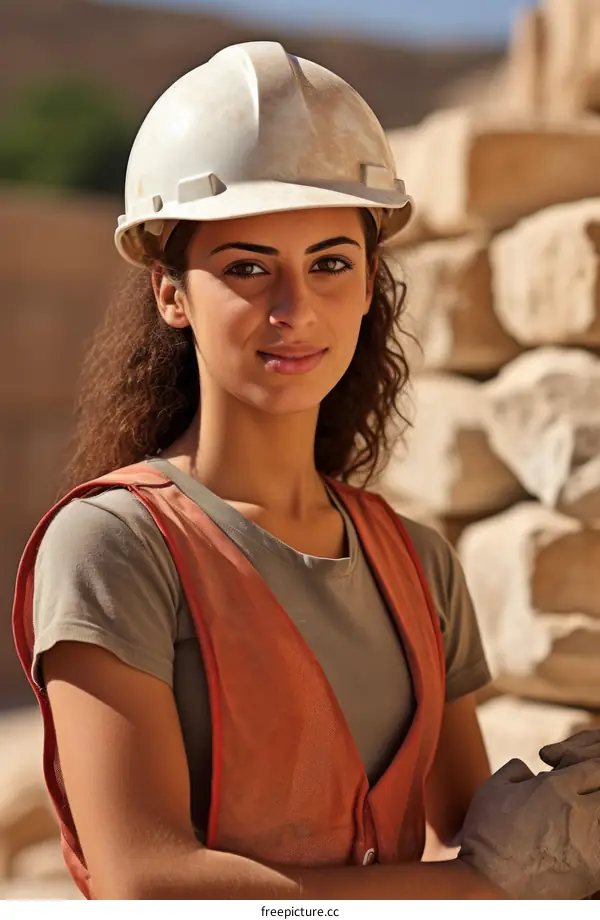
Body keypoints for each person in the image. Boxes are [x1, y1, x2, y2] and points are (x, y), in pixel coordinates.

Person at [11, 42, 600, 901]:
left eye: (330, 263)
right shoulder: (114, 545)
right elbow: (145, 884)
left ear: (369, 287)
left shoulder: (419, 567)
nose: (296, 311)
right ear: (170, 293)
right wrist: (488, 885)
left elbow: (474, 837)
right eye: (247, 268)